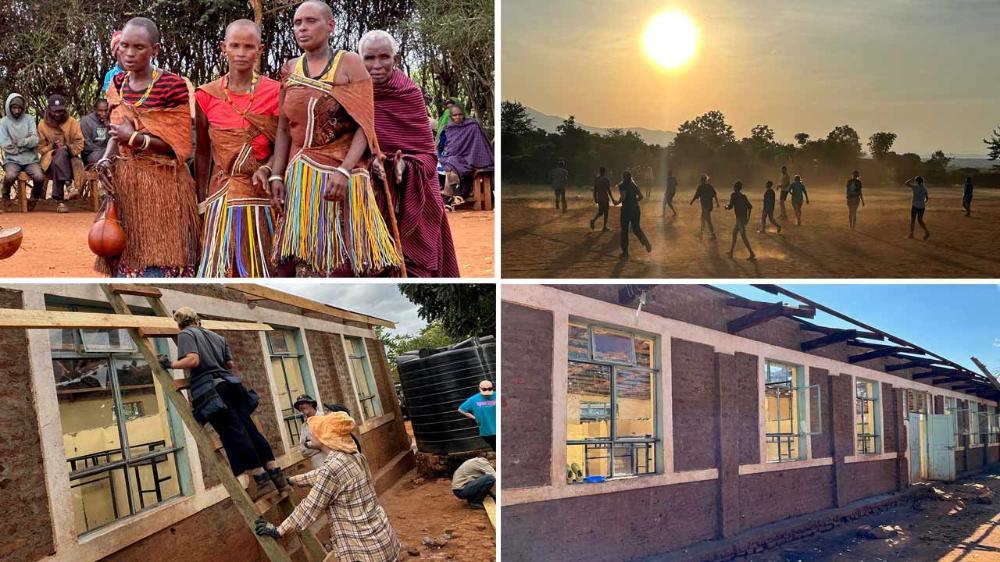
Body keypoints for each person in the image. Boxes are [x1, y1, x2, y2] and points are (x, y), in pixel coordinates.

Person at [268, 0, 401, 278]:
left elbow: (365, 125)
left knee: (347, 260)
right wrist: (277, 176)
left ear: (331, 26)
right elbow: (283, 127)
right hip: (301, 178)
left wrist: (345, 170)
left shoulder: (349, 64)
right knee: (305, 258)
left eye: (311, 21)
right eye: (297, 23)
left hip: (345, 177)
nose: (302, 28)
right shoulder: (290, 69)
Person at [94, 17, 200, 277]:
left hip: (165, 185)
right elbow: (115, 133)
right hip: (126, 183)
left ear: (155, 50)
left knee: (164, 255)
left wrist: (135, 138)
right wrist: (106, 160)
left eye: (139, 47)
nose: (129, 53)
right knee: (128, 250)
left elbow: (180, 145)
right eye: (124, 46)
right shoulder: (117, 84)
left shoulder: (173, 85)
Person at [158, 307, 287, 500]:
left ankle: (262, 479)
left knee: (234, 432)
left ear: (180, 323)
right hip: (232, 386)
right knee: (250, 429)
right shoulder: (217, 337)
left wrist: (169, 364)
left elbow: (193, 360)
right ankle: (278, 478)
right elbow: (230, 365)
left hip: (214, 391)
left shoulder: (185, 334)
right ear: (197, 319)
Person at [361, 29, 460, 278]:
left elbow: (428, 157)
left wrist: (405, 166)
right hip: (368, 194)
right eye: (369, 58)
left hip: (414, 195)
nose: (377, 66)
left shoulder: (410, 94)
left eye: (384, 57)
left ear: (396, 58)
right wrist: (370, 162)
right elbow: (344, 148)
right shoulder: (353, 94)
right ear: (359, 59)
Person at [194, 19, 280, 278]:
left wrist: (268, 168)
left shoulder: (276, 92)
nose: (241, 53)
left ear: (260, 50)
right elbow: (202, 152)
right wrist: (202, 198)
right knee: (219, 266)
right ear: (224, 47)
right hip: (220, 194)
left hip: (261, 194)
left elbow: (284, 145)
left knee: (262, 266)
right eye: (235, 45)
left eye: (248, 46)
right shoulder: (206, 96)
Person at [254, 411, 401, 562]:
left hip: (364, 550)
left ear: (326, 437)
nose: (310, 434)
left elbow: (310, 506)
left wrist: (278, 531)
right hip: (381, 540)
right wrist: (292, 480)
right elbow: (322, 476)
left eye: (315, 431)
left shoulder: (332, 469)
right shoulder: (353, 455)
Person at [37, 94, 85, 212]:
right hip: (49, 161)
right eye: (55, 112)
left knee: (61, 155)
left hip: (70, 160)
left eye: (60, 111)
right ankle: (68, 185)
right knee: (58, 155)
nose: (58, 114)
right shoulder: (42, 125)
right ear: (49, 110)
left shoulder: (72, 122)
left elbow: (80, 144)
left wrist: (67, 148)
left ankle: (60, 201)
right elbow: (40, 148)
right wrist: (52, 146)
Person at [0, 93, 46, 211]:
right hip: (12, 159)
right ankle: (5, 196)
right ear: (9, 108)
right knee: (10, 176)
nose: (16, 111)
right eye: (14, 108)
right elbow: (6, 144)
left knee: (39, 177)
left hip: (30, 159)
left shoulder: (28, 119)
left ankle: (34, 199)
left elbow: (35, 140)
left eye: (19, 108)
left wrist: (21, 143)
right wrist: (26, 144)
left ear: (23, 108)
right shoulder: (3, 123)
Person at [438, 101, 493, 200]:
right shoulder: (449, 128)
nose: (458, 117)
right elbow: (451, 147)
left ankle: (451, 196)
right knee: (451, 161)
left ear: (464, 115)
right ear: (451, 116)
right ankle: (454, 195)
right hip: (457, 156)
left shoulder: (472, 126)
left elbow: (478, 144)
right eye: (455, 115)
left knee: (451, 163)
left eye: (460, 114)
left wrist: (471, 157)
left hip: (473, 157)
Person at [293, 394, 362, 469]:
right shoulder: (304, 427)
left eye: (303, 403)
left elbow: (340, 439)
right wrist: (323, 444)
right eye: (299, 406)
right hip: (320, 466)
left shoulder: (327, 417)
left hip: (338, 463)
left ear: (311, 403)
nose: (301, 407)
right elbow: (303, 450)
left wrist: (313, 444)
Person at [615, 170, 652, 259]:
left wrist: (618, 202)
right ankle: (646, 243)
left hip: (626, 210)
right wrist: (634, 201)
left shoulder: (622, 185)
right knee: (636, 228)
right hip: (636, 209)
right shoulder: (634, 185)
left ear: (623, 178)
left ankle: (625, 252)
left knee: (624, 230)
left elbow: (623, 197)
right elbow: (641, 197)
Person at [458, 379, 497, 450]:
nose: (487, 391)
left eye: (489, 389)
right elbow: (461, 409)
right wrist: (474, 418)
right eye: (484, 389)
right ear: (479, 389)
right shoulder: (473, 399)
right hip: (487, 431)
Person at [725, 181, 755, 260]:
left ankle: (752, 253)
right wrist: (748, 218)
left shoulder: (734, 195)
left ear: (735, 188)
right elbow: (750, 207)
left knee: (743, 236)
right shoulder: (743, 196)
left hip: (740, 219)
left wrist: (726, 206)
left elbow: (730, 206)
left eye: (734, 187)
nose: (733, 188)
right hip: (742, 218)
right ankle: (731, 252)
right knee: (734, 233)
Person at [80, 99, 112, 166]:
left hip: (106, 151)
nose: (104, 114)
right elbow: (87, 145)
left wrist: (109, 128)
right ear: (95, 110)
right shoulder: (86, 121)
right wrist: (103, 150)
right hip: (91, 154)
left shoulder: (110, 120)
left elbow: (112, 141)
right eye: (100, 111)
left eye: (106, 110)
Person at [690, 174, 719, 240]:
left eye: (702, 180)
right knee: (704, 219)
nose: (702, 181)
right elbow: (714, 195)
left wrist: (692, 201)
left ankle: (712, 234)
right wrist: (717, 203)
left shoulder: (701, 187)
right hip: (708, 206)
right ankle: (702, 233)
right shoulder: (709, 187)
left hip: (706, 206)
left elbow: (696, 196)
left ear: (703, 180)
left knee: (707, 220)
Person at [102, 30, 125, 95]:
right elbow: (107, 97)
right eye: (118, 48)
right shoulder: (109, 75)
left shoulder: (139, 72)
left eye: (125, 47)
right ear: (113, 53)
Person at [590, 166, 611, 231]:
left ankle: (593, 220)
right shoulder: (606, 179)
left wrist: (595, 197)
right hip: (605, 197)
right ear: (604, 172)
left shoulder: (597, 179)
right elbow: (608, 190)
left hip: (600, 198)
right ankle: (604, 226)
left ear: (600, 171)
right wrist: (612, 198)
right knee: (606, 212)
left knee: (600, 212)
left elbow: (595, 189)